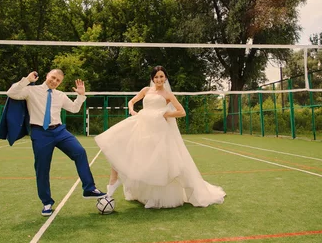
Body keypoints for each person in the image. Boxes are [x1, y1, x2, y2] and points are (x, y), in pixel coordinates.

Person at [95, 66, 226, 209]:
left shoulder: (168, 95)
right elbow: (131, 102)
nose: (159, 79)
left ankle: (155, 198)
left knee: (156, 163)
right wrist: (132, 110)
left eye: (161, 76)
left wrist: (165, 114)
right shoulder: (146, 90)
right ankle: (117, 185)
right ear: (152, 78)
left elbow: (181, 112)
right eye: (156, 77)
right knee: (127, 150)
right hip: (142, 127)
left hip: (158, 131)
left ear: (165, 78)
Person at [7, 69, 105, 216]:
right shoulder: (31, 90)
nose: (54, 81)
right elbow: (11, 93)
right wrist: (26, 79)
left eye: (58, 80)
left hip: (59, 131)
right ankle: (47, 202)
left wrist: (81, 95)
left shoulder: (60, 95)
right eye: (53, 78)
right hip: (40, 133)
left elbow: (74, 108)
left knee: (80, 152)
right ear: (47, 76)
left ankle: (89, 188)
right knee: (42, 168)